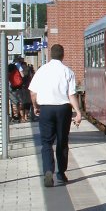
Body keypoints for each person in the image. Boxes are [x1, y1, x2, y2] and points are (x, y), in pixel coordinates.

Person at [28, 44, 83, 187]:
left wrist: (35, 106)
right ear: (62, 55)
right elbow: (71, 95)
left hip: (46, 109)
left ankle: (48, 170)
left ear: (50, 55)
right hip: (63, 109)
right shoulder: (68, 71)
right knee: (62, 141)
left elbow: (33, 92)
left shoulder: (41, 71)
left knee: (46, 142)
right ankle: (61, 174)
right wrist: (78, 112)